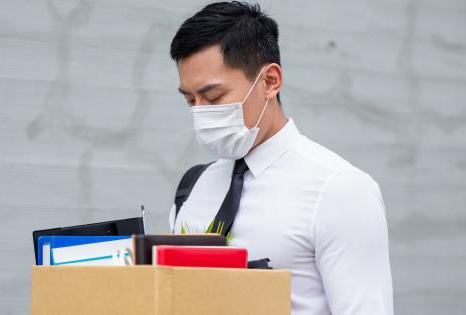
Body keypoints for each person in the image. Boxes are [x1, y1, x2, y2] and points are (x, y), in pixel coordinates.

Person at [167, 2, 394, 314]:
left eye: (214, 97)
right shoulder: (193, 188)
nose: (201, 113)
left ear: (270, 81)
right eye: (190, 100)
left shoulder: (340, 190)